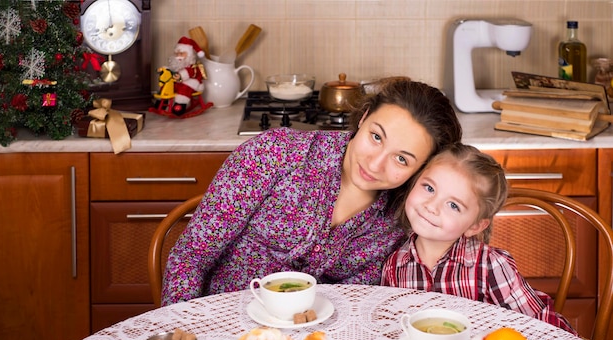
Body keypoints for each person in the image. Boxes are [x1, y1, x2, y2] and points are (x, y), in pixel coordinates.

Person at [162, 78, 462, 305]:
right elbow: (191, 256)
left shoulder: (403, 218)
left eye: (401, 159)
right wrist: (188, 335)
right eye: (375, 137)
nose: (375, 163)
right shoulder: (274, 153)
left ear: (420, 169)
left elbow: (356, 303)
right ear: (363, 116)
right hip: (222, 325)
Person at [381, 144, 576, 334]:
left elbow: (542, 327)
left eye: (453, 205)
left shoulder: (490, 266)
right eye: (429, 188)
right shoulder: (394, 265)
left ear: (475, 226)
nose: (431, 206)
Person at [167, 36, 206, 115]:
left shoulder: (193, 65)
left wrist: (181, 75)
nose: (178, 56)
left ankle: (179, 105)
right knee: (167, 84)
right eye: (177, 53)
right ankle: (163, 102)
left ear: (189, 54)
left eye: (181, 53)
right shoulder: (178, 64)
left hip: (193, 82)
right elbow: (172, 70)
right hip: (179, 81)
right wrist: (166, 70)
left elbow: (190, 72)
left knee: (185, 87)